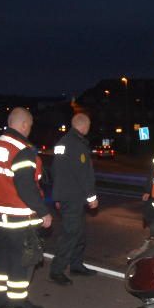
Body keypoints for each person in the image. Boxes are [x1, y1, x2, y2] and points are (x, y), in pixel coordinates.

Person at [0, 107, 52, 308]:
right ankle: (18, 304)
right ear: (24, 125)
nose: (30, 130)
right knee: (23, 263)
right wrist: (43, 212)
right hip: (19, 216)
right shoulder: (22, 149)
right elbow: (26, 187)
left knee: (3, 260)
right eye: (30, 126)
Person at [49, 113, 99, 286]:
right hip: (74, 197)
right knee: (71, 234)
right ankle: (57, 270)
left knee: (79, 232)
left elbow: (55, 171)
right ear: (84, 126)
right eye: (89, 125)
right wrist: (92, 197)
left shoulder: (62, 143)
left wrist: (57, 196)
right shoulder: (78, 145)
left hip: (67, 196)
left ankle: (76, 265)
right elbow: (84, 174)